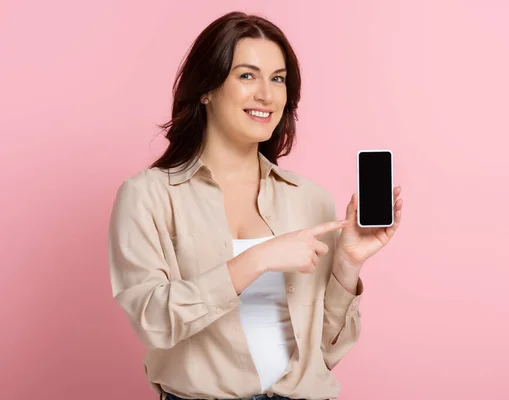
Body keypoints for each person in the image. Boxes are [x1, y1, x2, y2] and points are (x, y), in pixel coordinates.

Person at [108, 10, 403, 400]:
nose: (266, 94)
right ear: (206, 88)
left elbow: (327, 351)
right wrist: (257, 259)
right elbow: (153, 321)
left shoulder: (310, 198)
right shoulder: (148, 196)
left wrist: (348, 265)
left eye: (278, 79)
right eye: (247, 75)